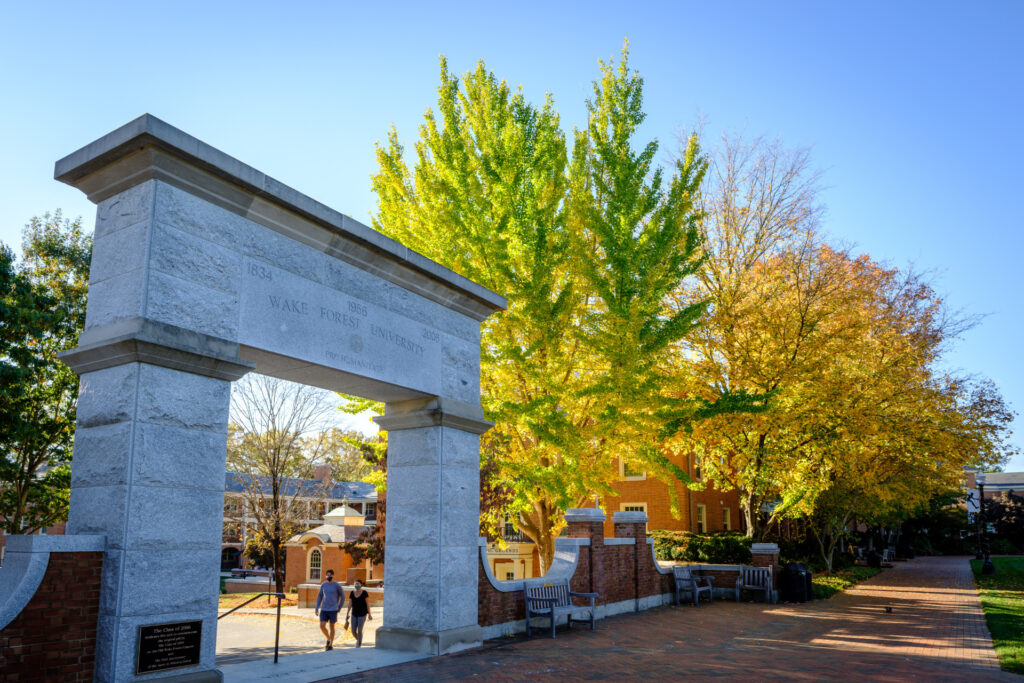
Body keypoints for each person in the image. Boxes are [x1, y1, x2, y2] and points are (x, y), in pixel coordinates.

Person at [314, 569, 344, 650]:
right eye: (327, 575)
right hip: (324, 609)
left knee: (332, 627)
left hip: (333, 609)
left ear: (333, 576)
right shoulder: (323, 585)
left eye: (330, 575)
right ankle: (328, 638)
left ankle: (330, 645)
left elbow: (343, 596)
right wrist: (317, 607)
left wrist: (339, 606)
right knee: (322, 626)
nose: (328, 576)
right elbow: (320, 596)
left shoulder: (337, 585)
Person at [344, 579, 373, 647]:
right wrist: (347, 613)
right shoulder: (352, 593)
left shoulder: (364, 593)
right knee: (353, 631)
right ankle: (358, 640)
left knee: (359, 629)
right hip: (354, 613)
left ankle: (359, 644)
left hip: (362, 614)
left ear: (361, 585)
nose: (357, 585)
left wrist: (369, 614)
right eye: (355, 584)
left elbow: (367, 604)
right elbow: (350, 604)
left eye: (358, 584)